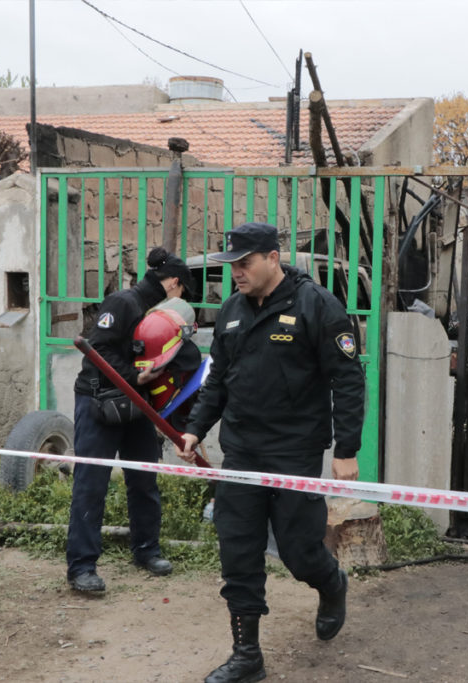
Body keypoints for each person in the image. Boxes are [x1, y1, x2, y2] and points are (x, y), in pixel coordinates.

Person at [176, 222, 364, 683]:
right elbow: (217, 378)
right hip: (241, 451)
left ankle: (330, 582)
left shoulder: (317, 305)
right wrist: (196, 429)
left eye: (245, 263)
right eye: (232, 265)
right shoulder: (232, 310)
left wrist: (347, 449)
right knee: (237, 549)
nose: (236, 273)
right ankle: (247, 655)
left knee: (299, 552)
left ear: (273, 257)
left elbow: (348, 380)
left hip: (294, 451)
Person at [67, 247, 195, 593]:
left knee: (144, 479)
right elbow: (99, 348)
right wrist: (132, 376)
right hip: (100, 402)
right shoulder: (124, 303)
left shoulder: (160, 314)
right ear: (172, 283)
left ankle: (146, 549)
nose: (180, 297)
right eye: (182, 289)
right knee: (91, 485)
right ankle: (82, 566)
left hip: (138, 405)